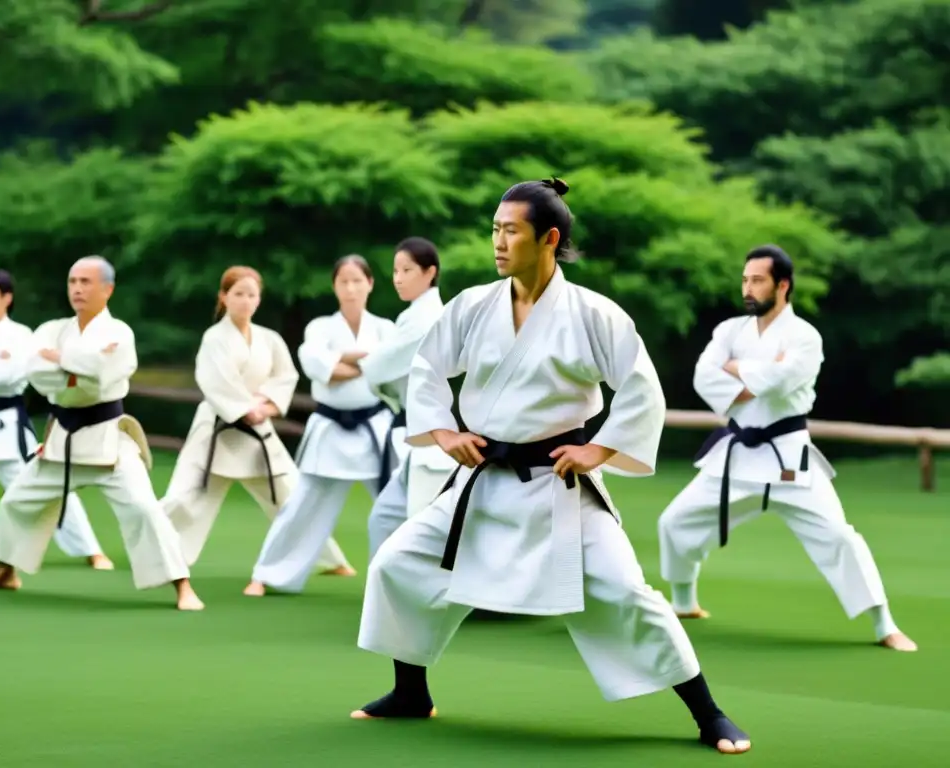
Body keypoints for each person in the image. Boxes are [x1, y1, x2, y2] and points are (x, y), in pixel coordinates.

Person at [351, 179, 751, 755]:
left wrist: (599, 448)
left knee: (624, 591)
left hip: (559, 486)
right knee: (397, 564)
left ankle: (708, 712)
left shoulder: (592, 314)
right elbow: (427, 368)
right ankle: (410, 692)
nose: (498, 241)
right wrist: (442, 430)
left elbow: (643, 390)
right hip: (482, 482)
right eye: (495, 229)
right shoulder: (473, 306)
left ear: (549, 238)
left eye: (510, 230)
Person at [656, 245, 916, 652]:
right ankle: (684, 602)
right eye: (744, 279)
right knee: (674, 522)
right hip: (737, 454)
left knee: (840, 538)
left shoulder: (805, 337)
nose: (748, 287)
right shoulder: (729, 331)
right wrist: (752, 373)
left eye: (757, 280)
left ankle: (885, 624)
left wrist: (736, 369)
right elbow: (703, 377)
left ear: (783, 285)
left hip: (789, 459)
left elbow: (779, 380)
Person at [0, 256, 203, 611]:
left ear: (108, 289)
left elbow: (105, 371)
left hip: (107, 437)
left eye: (86, 282)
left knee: (144, 508)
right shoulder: (52, 329)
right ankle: (5, 571)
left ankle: (182, 586)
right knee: (16, 501)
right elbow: (36, 370)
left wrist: (62, 359)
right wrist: (74, 364)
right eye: (73, 281)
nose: (77, 288)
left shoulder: (119, 332)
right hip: (62, 437)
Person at [160, 266, 354, 581]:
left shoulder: (269, 338)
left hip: (258, 433)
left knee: (292, 495)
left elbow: (285, 375)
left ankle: (328, 558)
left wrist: (267, 406)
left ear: (259, 299)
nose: (246, 301)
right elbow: (216, 381)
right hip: (218, 430)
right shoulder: (214, 338)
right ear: (224, 297)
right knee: (185, 498)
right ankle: (156, 550)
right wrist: (246, 408)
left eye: (252, 295)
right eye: (239, 294)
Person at [0, 268, 112, 570]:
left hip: (6, 427)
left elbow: (10, 374)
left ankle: (91, 550)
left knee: (49, 484)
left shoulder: (22, 335)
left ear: (6, 298)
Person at [244, 255, 395, 596]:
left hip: (375, 427)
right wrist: (367, 362)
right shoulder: (319, 327)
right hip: (330, 426)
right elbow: (317, 366)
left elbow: (392, 365)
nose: (351, 288)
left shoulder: (386, 328)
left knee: (396, 503)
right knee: (303, 503)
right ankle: (267, 574)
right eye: (344, 281)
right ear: (334, 286)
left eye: (358, 281)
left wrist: (343, 359)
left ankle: (399, 579)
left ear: (370, 284)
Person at [357, 238, 458, 561]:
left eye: (407, 270)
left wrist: (360, 363)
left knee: (423, 528)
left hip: (434, 439)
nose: (398, 278)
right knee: (385, 519)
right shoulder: (416, 315)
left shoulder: (426, 319)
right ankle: (387, 597)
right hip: (421, 436)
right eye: (395, 271)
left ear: (430, 273)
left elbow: (377, 366)